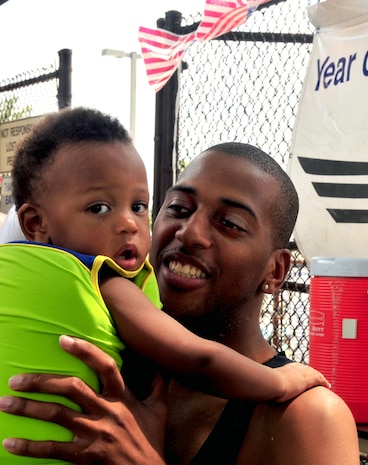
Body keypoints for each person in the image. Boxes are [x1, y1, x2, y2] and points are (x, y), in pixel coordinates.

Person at [0, 110, 330, 463]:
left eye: (230, 224)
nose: (189, 232)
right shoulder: (109, 350)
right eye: (178, 207)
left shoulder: (307, 414)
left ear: (277, 270)